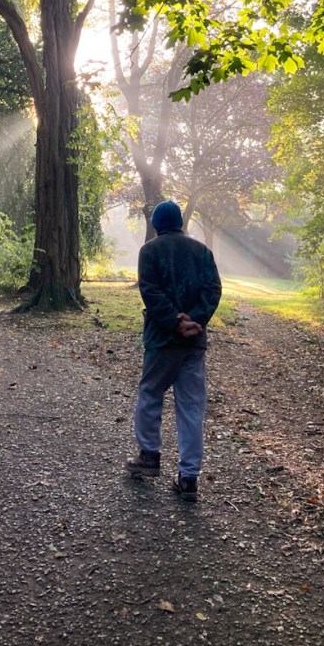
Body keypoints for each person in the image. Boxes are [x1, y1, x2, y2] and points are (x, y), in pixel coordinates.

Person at [126, 200, 222, 502]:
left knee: (150, 394)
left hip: (161, 341)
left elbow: (150, 291)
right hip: (194, 342)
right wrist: (196, 320)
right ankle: (188, 478)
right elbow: (213, 288)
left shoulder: (149, 251)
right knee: (192, 408)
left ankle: (149, 456)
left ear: (156, 224)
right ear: (180, 222)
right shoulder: (202, 251)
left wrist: (173, 320)